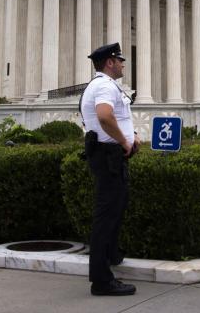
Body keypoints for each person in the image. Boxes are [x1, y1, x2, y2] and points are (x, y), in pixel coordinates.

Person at [81, 42, 140, 297]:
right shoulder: (104, 85)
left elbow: (116, 117)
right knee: (106, 216)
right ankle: (102, 281)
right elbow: (105, 116)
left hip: (109, 155)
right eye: (119, 60)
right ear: (109, 63)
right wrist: (125, 141)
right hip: (109, 156)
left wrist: (131, 134)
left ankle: (112, 256)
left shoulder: (102, 85)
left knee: (114, 209)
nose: (123, 64)